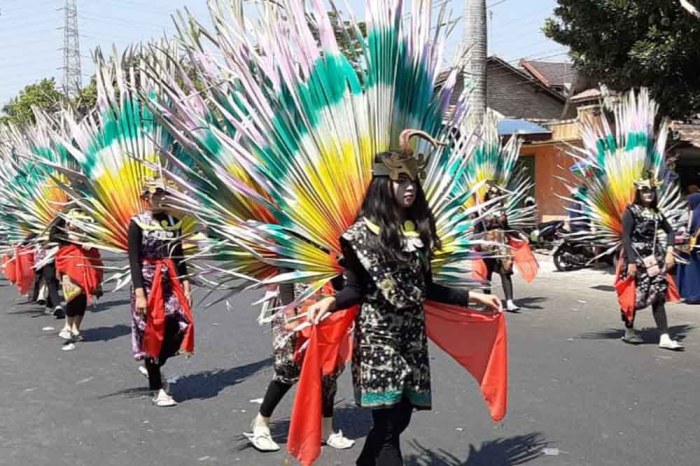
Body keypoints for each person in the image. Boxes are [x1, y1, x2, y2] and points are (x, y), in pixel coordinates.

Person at [306, 131, 502, 466]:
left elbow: (427, 289)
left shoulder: (419, 231)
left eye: (413, 181)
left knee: (401, 418)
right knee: (386, 427)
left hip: (411, 338)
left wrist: (472, 297)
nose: (409, 188)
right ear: (384, 185)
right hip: (378, 340)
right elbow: (355, 289)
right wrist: (331, 302)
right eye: (401, 181)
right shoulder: (359, 236)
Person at [246, 281, 354, 452]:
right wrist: (290, 313)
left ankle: (326, 428)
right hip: (295, 304)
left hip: (329, 304)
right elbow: (285, 271)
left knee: (329, 368)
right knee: (288, 366)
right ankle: (261, 423)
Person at [128, 178, 194, 407]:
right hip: (146, 283)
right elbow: (134, 260)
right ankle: (157, 388)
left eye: (162, 195)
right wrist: (139, 293)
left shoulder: (174, 222)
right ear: (146, 198)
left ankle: (155, 365)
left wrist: (185, 282)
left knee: (179, 326)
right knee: (152, 332)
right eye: (154, 195)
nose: (158, 199)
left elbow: (178, 255)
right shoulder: (138, 223)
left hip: (170, 281)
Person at [618, 176, 683, 350]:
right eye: (645, 191)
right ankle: (629, 330)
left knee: (658, 296)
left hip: (655, 260)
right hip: (636, 259)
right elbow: (626, 237)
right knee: (632, 296)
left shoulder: (657, 213)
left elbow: (670, 232)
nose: (649, 194)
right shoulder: (631, 211)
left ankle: (664, 336)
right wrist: (631, 261)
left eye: (652, 191)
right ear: (639, 192)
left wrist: (670, 252)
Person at [54, 209, 103, 342]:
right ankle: (67, 326)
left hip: (88, 265)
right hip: (69, 266)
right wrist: (69, 236)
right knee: (72, 296)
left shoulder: (91, 225)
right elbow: (52, 235)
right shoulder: (64, 227)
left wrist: (91, 242)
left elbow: (104, 236)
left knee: (82, 298)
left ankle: (76, 327)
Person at [475, 183, 520, 312]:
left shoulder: (502, 211)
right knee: (487, 273)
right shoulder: (481, 211)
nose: (494, 195)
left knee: (505, 272)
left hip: (502, 245)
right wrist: (476, 243)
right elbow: (477, 229)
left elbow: (507, 228)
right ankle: (487, 301)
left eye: (497, 194)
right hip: (487, 245)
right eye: (492, 193)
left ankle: (510, 302)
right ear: (488, 196)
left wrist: (519, 235)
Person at [677, 193, 700, 303]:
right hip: (689, 247)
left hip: (693, 247)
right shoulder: (693, 211)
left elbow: (693, 227)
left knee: (692, 272)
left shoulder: (696, 213)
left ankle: (693, 295)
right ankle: (690, 295)